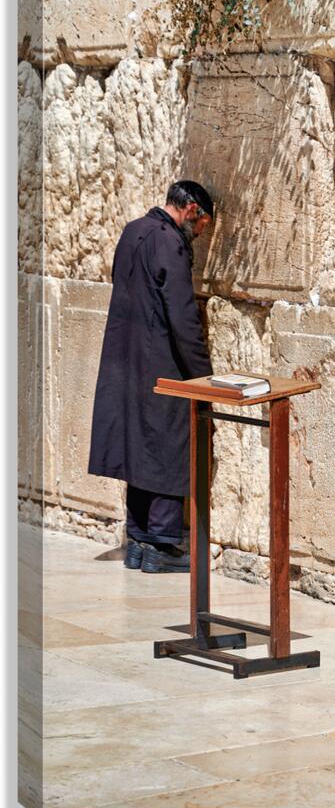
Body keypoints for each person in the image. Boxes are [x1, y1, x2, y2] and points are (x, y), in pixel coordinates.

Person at [88, 180, 214, 573]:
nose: (199, 235)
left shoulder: (132, 231)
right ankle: (162, 544)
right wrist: (204, 377)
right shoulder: (169, 242)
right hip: (160, 362)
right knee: (166, 446)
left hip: (125, 361)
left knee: (137, 446)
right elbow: (182, 316)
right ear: (191, 210)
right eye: (203, 225)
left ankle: (138, 541)